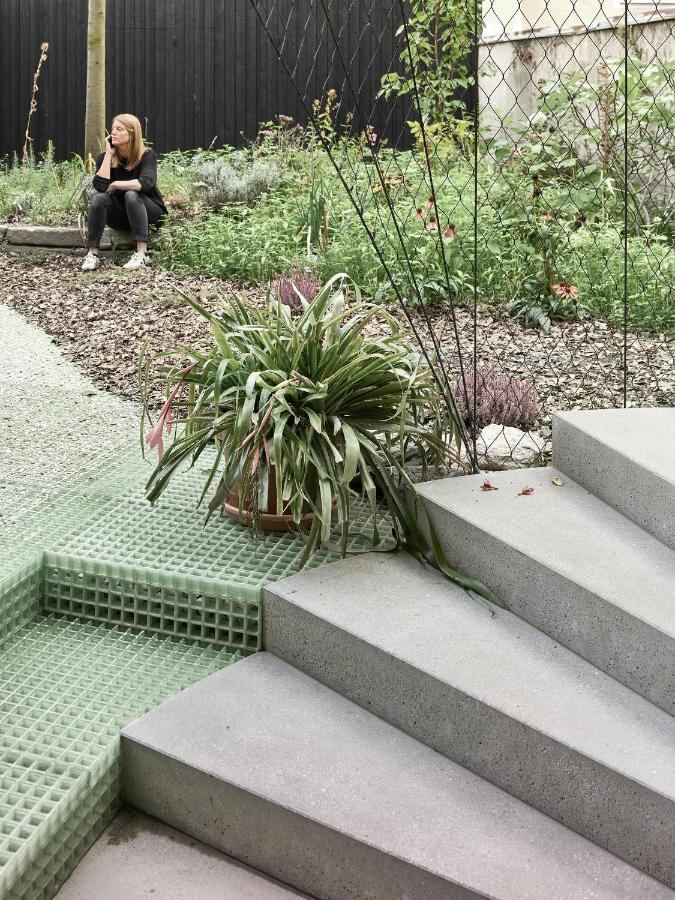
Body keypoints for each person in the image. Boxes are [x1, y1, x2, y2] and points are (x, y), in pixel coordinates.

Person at [82, 114, 167, 271]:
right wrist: (109, 154)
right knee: (99, 198)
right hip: (123, 217)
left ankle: (142, 253)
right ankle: (92, 254)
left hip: (151, 213)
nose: (113, 132)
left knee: (131, 194)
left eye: (119, 129)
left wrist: (115, 184)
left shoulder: (146, 156)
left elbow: (146, 183)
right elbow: (101, 187)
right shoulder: (105, 158)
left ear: (132, 133)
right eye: (113, 129)